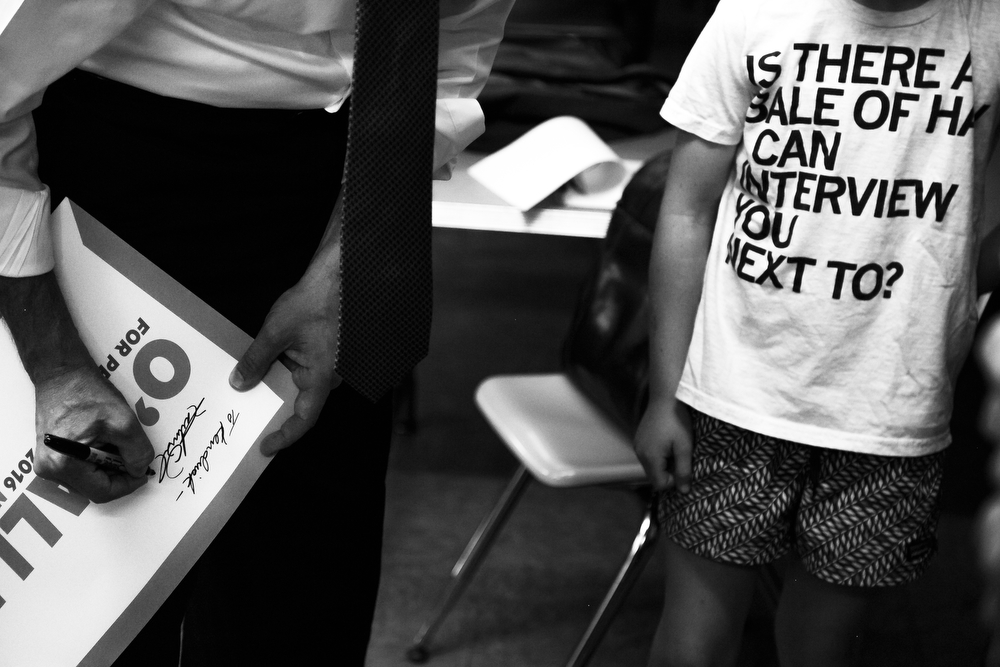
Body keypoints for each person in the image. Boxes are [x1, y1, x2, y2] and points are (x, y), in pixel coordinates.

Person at [0, 1, 514, 664]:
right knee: (93, 605)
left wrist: (349, 257)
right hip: (116, 181)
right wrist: (55, 363)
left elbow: (446, 58)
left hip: (351, 181)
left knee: (301, 600)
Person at [633, 0, 1000, 665]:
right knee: (694, 643)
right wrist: (664, 395)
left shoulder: (988, 25)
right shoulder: (755, 13)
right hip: (734, 390)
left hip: (890, 406)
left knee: (820, 649)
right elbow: (686, 207)